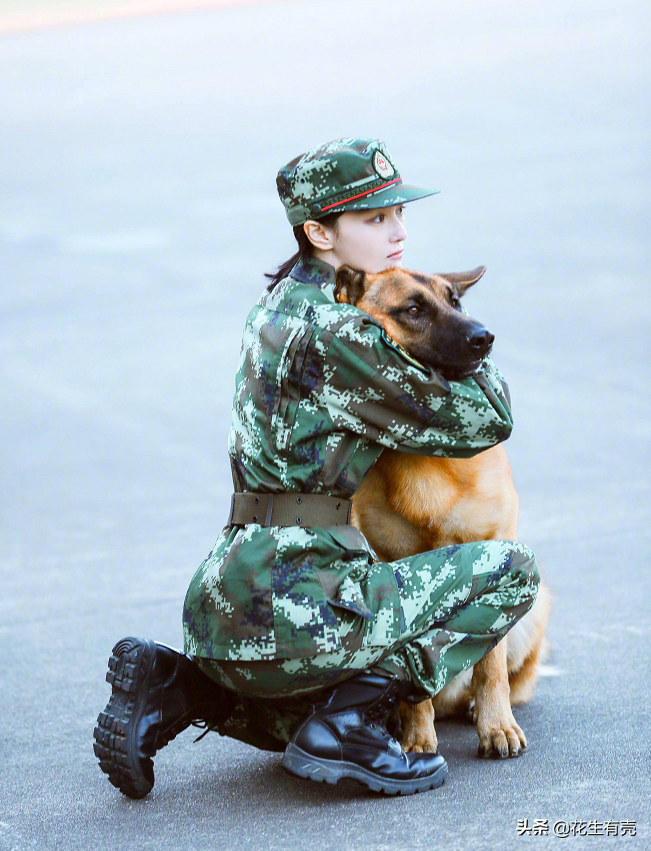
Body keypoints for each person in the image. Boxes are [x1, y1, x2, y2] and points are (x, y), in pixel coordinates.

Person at [94, 138, 540, 799]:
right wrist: (458, 325)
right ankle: (348, 730)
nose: (397, 232)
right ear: (317, 233)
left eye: (396, 214)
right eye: (372, 219)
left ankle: (182, 684)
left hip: (224, 602)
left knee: (295, 703)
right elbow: (486, 416)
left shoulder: (274, 309)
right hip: (302, 603)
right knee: (512, 572)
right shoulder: (344, 331)